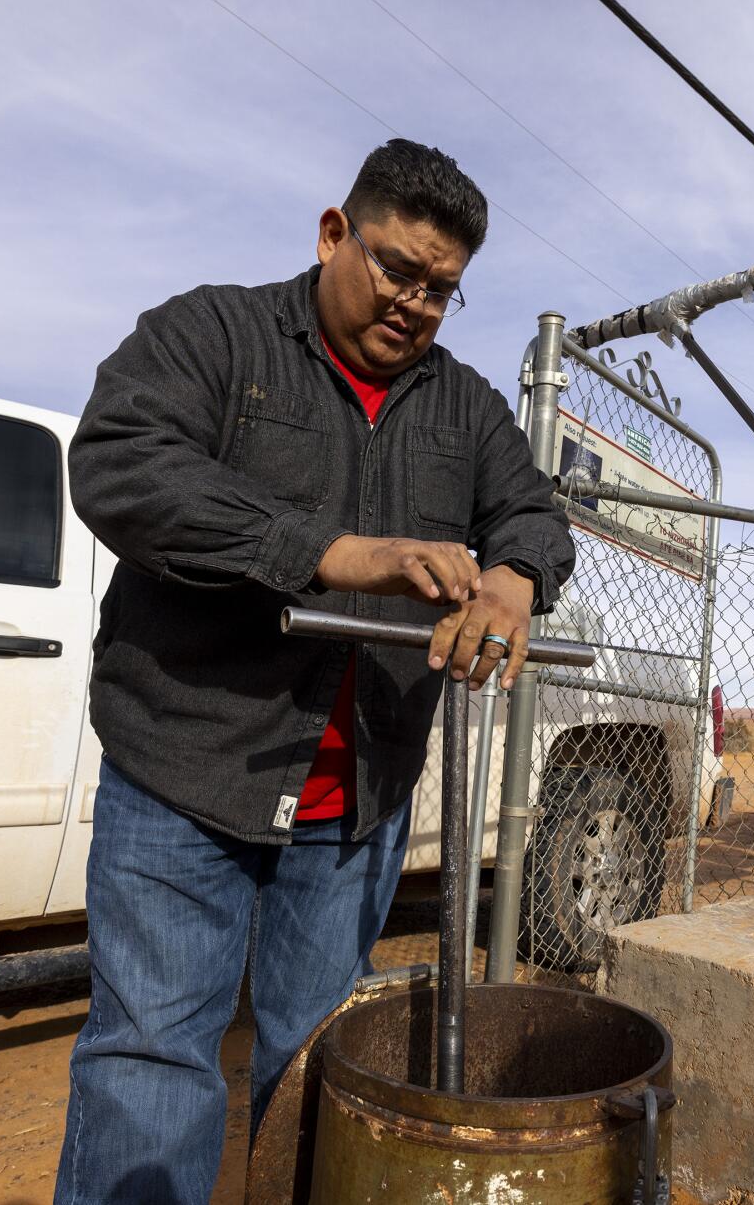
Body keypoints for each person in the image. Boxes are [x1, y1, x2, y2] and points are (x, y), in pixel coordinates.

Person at [53, 139, 576, 1203]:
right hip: (187, 769)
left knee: (326, 1056)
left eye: (442, 290)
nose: (413, 304)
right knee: (151, 1055)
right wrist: (338, 555)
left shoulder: (462, 405)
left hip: (358, 801)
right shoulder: (215, 334)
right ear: (334, 231)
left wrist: (515, 576)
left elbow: (529, 508)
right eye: (394, 267)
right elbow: (122, 464)